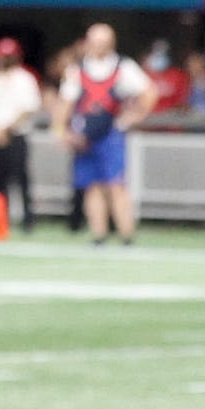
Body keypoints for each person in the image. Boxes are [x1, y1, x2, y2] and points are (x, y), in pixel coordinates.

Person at [58, 21, 154, 245]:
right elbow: (65, 103)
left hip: (110, 133)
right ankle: (99, 234)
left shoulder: (123, 67)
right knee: (92, 186)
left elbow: (149, 93)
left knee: (116, 184)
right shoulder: (77, 71)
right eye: (94, 42)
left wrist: (131, 118)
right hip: (85, 135)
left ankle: (126, 235)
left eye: (102, 42)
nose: (97, 47)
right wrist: (62, 131)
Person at [0, 36, 41, 232]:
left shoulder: (24, 79)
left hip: (16, 135)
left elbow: (28, 108)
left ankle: (28, 219)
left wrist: (6, 129)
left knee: (22, 178)